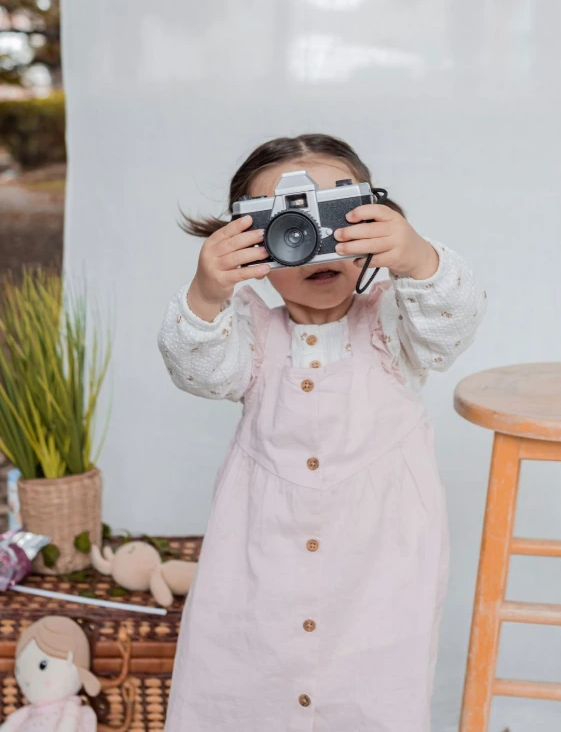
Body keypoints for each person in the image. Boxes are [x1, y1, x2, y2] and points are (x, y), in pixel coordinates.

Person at [158, 133, 487, 731]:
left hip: (379, 568)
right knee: (244, 682)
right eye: (287, 225)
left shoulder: (395, 320)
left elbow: (452, 325)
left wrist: (416, 257)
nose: (313, 245)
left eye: (336, 219)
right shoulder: (248, 334)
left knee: (372, 691)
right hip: (260, 567)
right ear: (248, 243)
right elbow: (197, 370)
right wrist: (208, 291)